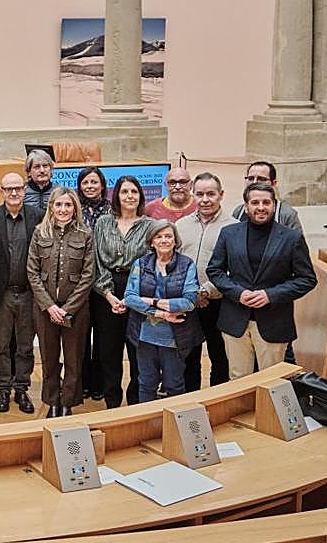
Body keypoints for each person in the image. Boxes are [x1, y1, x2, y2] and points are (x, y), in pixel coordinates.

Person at [208, 182, 318, 379]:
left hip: (273, 321)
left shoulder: (292, 238)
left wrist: (270, 295)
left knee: (271, 381)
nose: (261, 207)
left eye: (266, 202)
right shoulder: (229, 233)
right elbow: (215, 270)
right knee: (237, 379)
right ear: (246, 206)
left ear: (274, 205)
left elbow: (307, 279)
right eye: (255, 202)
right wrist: (238, 293)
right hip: (235, 320)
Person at [27, 187, 95, 417]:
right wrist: (49, 306)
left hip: (75, 309)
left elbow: (88, 276)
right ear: (51, 207)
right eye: (59, 205)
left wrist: (67, 309)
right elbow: (32, 272)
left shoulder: (85, 234)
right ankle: (53, 402)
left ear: (75, 208)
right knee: (49, 358)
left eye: (68, 205)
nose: (63, 209)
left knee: (74, 358)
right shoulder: (40, 233)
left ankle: (68, 403)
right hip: (45, 308)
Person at [92, 175, 154, 408]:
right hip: (106, 292)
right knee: (109, 350)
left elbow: (151, 263)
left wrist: (131, 297)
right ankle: (112, 400)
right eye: (125, 191)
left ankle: (136, 398)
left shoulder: (150, 225)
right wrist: (109, 294)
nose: (129, 196)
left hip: (138, 290)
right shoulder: (103, 223)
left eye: (134, 192)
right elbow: (97, 261)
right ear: (116, 195)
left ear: (140, 196)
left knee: (138, 348)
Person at [0, 172, 43, 414]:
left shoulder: (38, 216)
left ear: (25, 189)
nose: (14, 193)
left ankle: (21, 388)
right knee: (1, 345)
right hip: (2, 294)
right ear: (1, 191)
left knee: (25, 345)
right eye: (9, 189)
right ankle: (3, 389)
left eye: (18, 188)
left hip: (29, 293)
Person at [124, 220, 201, 402]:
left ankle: (174, 419)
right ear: (151, 242)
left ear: (175, 240)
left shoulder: (187, 264)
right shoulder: (141, 264)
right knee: (146, 384)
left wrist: (152, 301)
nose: (164, 240)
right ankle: (148, 419)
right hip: (144, 336)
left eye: (168, 236)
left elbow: (189, 301)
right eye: (158, 237)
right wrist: (162, 313)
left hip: (174, 337)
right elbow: (130, 297)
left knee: (174, 384)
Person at [176, 173, 236, 391]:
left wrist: (206, 291)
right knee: (188, 355)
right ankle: (189, 398)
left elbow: (234, 269)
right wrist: (192, 293)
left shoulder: (234, 227)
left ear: (221, 195)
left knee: (219, 354)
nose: (205, 200)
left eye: (211, 194)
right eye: (200, 194)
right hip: (187, 302)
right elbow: (174, 262)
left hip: (218, 302)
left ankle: (216, 398)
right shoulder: (181, 225)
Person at [76, 165, 110, 400]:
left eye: (94, 182)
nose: (90, 186)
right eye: (85, 182)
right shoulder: (74, 209)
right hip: (79, 280)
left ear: (102, 185)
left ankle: (99, 383)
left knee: (102, 336)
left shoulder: (111, 209)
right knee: (80, 336)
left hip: (104, 280)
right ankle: (83, 382)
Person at [231, 161, 304, 233]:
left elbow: (296, 239)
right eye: (251, 178)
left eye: (261, 179)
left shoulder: (287, 214)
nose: (254, 182)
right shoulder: (239, 212)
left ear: (273, 183)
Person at [22, 149, 56, 213]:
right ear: (29, 172)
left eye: (45, 166)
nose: (42, 170)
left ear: (51, 169)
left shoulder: (59, 191)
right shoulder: (21, 192)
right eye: (37, 167)